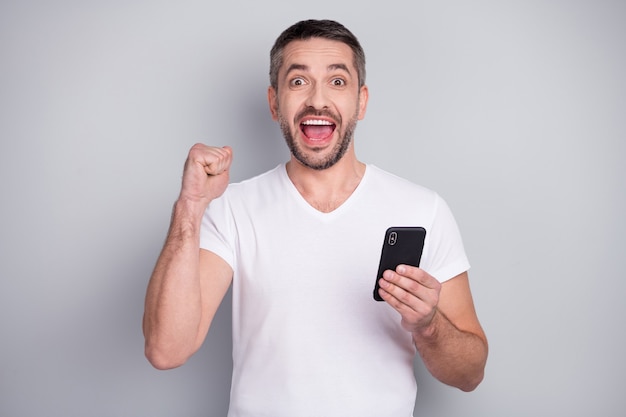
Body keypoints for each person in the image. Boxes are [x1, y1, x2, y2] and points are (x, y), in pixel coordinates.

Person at [143, 19, 488, 416]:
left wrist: (429, 325)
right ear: (274, 103)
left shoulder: (423, 209)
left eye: (337, 82)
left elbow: (470, 374)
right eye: (298, 82)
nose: (318, 100)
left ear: (361, 101)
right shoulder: (231, 207)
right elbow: (166, 349)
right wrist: (189, 205)